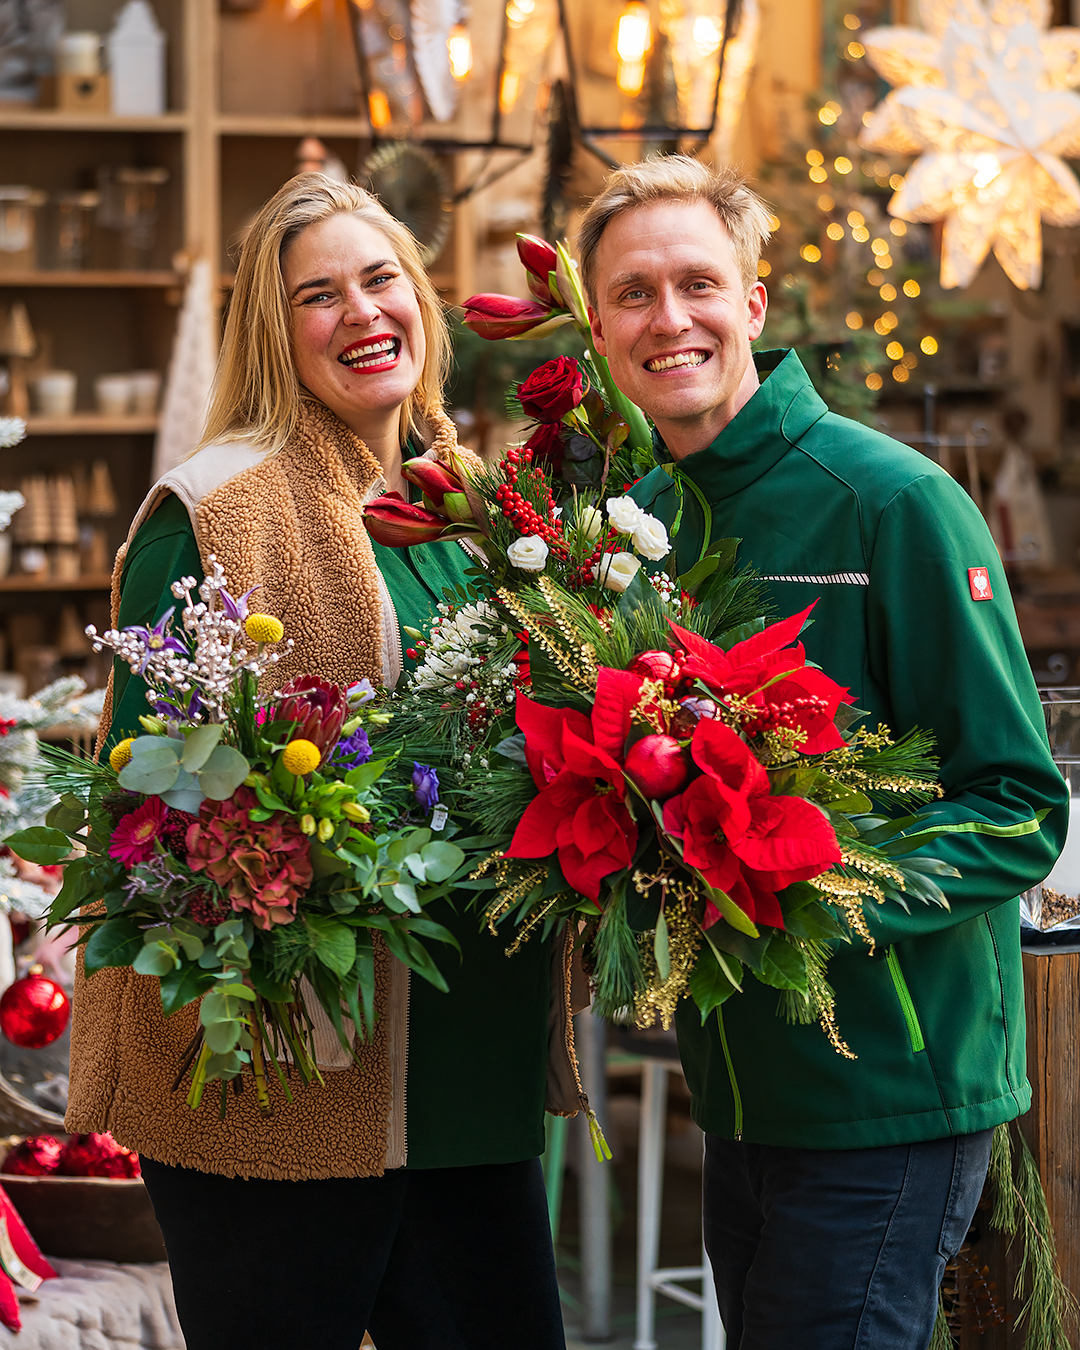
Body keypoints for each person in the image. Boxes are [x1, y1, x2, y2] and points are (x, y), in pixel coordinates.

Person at [66, 174, 574, 1350]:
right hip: (282, 1090)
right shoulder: (215, 512)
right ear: (271, 331)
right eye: (318, 295)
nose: (361, 311)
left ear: (422, 302)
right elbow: (142, 828)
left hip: (473, 1079)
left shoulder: (482, 511)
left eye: (381, 279)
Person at [577, 155, 1068, 1350]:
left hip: (892, 1092)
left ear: (752, 303)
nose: (668, 318)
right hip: (738, 1092)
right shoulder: (640, 526)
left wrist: (807, 887)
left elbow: (1019, 806)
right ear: (598, 331)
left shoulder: (892, 504)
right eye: (633, 293)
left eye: (698, 283)